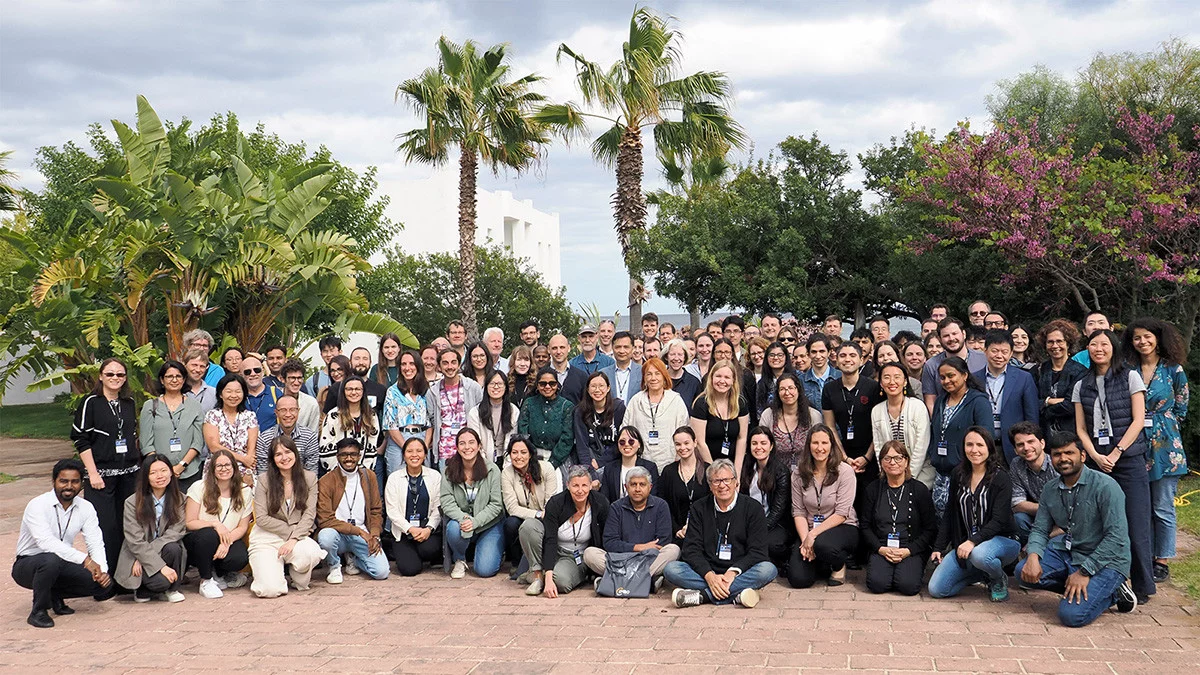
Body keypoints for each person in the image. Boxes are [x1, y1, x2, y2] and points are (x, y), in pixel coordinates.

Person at [1017, 433, 1139, 626]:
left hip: (1106, 560)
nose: (1063, 458)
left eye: (1069, 453)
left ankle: (1113, 592)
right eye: (1057, 454)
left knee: (1072, 616)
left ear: (1082, 456)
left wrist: (1084, 572)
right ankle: (1091, 590)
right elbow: (1040, 529)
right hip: (1069, 551)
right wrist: (1032, 556)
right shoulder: (1050, 489)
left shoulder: (1106, 486)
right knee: (1023, 573)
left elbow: (1116, 539)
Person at [1072, 328, 1155, 602]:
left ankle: (1142, 584)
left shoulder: (1130, 376)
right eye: (1093, 344)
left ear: (1114, 347)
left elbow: (1138, 420)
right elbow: (1081, 428)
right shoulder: (1080, 384)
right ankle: (1109, 581)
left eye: (1104, 344)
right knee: (1100, 524)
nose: (1099, 348)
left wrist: (1117, 452)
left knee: (1135, 521)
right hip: (1097, 461)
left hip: (1128, 460)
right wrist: (1094, 455)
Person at [1124, 317, 1190, 583]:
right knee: (1141, 505)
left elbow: (1182, 407)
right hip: (1136, 439)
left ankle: (1161, 559)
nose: (1142, 342)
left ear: (1158, 338)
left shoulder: (1174, 369)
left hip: (1166, 446)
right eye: (1137, 337)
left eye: (1147, 337)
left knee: (1162, 506)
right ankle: (1143, 555)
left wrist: (1165, 426)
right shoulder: (1129, 369)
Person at [13, 458, 114, 628]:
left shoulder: (86, 507)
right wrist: (85, 560)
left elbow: (95, 541)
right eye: (63, 481)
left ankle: (53, 594)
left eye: (74, 482)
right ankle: (38, 611)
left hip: (61, 562)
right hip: (28, 564)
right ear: (54, 481)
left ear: (81, 483)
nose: (69, 486)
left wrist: (101, 571)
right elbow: (45, 542)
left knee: (103, 586)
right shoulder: (37, 505)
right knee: (50, 560)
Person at [664, 459, 777, 608]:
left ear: (736, 482)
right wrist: (710, 576)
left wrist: (732, 573)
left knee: (768, 570)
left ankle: (703, 596)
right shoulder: (699, 508)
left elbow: (758, 551)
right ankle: (736, 595)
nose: (722, 485)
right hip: (707, 571)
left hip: (739, 571)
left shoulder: (753, 508)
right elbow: (691, 550)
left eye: (727, 480)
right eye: (716, 481)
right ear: (710, 486)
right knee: (672, 569)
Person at [928, 427, 1018, 602]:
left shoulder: (1001, 477)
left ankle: (997, 578)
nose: (974, 450)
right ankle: (983, 575)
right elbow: (950, 513)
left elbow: (999, 520)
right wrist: (938, 548)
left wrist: (972, 541)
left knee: (980, 555)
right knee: (937, 589)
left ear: (989, 448)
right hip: (968, 546)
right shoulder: (958, 474)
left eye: (980, 445)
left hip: (1002, 541)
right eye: (969, 445)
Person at [72, 357, 141, 575]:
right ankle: (104, 575)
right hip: (101, 476)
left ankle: (126, 576)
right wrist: (92, 473)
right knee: (104, 527)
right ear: (101, 376)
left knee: (127, 526)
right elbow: (80, 438)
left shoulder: (128, 403)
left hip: (128, 475)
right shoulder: (90, 403)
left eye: (120, 374)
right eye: (110, 374)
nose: (115, 378)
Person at [249, 436, 324, 597]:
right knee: (270, 591)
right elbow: (261, 518)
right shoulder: (263, 481)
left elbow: (309, 514)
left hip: (297, 536)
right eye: (278, 454)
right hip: (267, 536)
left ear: (295, 453)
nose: (284, 457)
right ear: (272, 459)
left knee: (311, 552)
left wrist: (294, 539)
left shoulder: (309, 478)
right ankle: (273, 573)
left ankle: (296, 575)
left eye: (288, 452)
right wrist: (291, 531)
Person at [860, 441, 937, 596]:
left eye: (898, 458)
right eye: (887, 458)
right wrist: (880, 549)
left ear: (906, 461)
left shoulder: (919, 490)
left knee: (908, 586)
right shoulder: (873, 489)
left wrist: (909, 551)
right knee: (877, 584)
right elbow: (865, 526)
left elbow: (930, 528)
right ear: (880, 462)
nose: (892, 462)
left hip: (910, 547)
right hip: (882, 547)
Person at [787, 425, 858, 588]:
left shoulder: (845, 472)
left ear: (832, 446)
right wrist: (806, 539)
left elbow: (842, 513)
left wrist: (813, 536)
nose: (820, 448)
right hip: (810, 529)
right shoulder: (798, 473)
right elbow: (798, 512)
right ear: (808, 446)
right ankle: (820, 563)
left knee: (823, 545)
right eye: (815, 443)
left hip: (842, 526)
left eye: (825, 443)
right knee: (798, 579)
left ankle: (839, 565)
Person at [589, 466, 680, 591]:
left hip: (649, 559)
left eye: (642, 484)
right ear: (626, 487)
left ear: (650, 487)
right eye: (633, 484)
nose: (637, 489)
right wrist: (639, 547)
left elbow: (663, 540)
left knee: (673, 550)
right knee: (590, 554)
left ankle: (614, 580)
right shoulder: (616, 507)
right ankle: (645, 581)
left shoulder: (660, 506)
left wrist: (644, 551)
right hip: (621, 560)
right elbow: (610, 542)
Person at [524, 465, 611, 596]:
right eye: (575, 486)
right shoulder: (556, 503)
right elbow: (550, 539)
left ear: (590, 486)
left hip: (578, 556)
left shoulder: (600, 502)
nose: (580, 490)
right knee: (529, 526)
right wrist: (548, 578)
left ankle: (550, 575)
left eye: (584, 486)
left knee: (561, 582)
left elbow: (606, 535)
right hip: (555, 549)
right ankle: (538, 576)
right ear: (567, 485)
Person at [316, 438, 389, 583]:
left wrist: (374, 535)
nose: (349, 458)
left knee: (381, 572)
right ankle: (334, 566)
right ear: (337, 457)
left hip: (363, 536)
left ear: (359, 456)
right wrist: (359, 531)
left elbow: (375, 510)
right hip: (339, 534)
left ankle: (355, 560)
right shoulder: (326, 481)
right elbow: (325, 519)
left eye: (353, 454)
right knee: (325, 536)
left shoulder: (369, 477)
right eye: (344, 455)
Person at [116, 454, 188, 602]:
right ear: (145, 477)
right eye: (153, 473)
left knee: (174, 547)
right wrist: (159, 566)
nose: (159, 476)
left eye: (163, 470)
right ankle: (143, 590)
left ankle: (172, 590)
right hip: (136, 553)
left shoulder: (180, 499)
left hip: (160, 553)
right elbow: (135, 540)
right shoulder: (132, 502)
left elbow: (175, 532)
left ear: (171, 472)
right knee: (161, 582)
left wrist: (146, 560)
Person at [183, 449, 252, 599]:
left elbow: (242, 527)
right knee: (208, 535)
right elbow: (189, 522)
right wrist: (215, 524)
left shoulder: (244, 491)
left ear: (234, 467)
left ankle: (220, 573)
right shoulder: (199, 487)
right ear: (212, 469)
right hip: (199, 540)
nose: (224, 469)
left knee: (239, 557)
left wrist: (227, 542)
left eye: (227, 465)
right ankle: (206, 580)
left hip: (228, 538)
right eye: (219, 466)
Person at [927, 357, 992, 514]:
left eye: (951, 375)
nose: (946, 381)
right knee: (941, 521)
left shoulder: (978, 401)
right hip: (941, 474)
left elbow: (986, 437)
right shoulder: (941, 400)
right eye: (942, 378)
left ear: (964, 375)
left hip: (965, 474)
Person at [822, 343, 885, 500]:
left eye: (852, 356)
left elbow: (879, 426)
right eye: (842, 356)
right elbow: (830, 426)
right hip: (842, 453)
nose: (847, 359)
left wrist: (867, 457)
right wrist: (844, 457)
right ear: (836, 360)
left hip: (871, 454)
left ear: (861, 360)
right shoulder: (829, 389)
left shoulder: (873, 387)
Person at [440, 428, 505, 579]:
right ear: (457, 447)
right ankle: (460, 558)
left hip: (488, 524)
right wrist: (464, 519)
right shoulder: (449, 471)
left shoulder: (492, 470)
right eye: (462, 443)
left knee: (484, 571)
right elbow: (446, 501)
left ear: (479, 445)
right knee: (453, 528)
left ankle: (496, 552)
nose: (467, 447)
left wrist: (475, 522)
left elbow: (496, 504)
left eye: (471, 442)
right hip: (462, 523)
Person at [973, 330, 1039, 463]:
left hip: (1013, 445)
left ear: (1010, 353)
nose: (999, 356)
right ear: (985, 351)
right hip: (982, 445)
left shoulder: (1024, 378)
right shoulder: (974, 378)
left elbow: (1031, 416)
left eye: (1004, 352)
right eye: (994, 351)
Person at [140, 360, 205, 492]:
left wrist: (181, 466)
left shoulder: (194, 406)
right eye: (169, 376)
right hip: (159, 476)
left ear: (184, 379)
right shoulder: (150, 406)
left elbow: (198, 442)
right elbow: (146, 443)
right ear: (162, 380)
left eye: (178, 376)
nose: (174, 380)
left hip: (190, 471)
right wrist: (162, 469)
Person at [500, 436, 561, 572]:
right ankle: (516, 563)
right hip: (526, 516)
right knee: (510, 523)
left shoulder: (546, 468)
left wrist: (544, 514)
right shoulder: (507, 473)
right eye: (514, 452)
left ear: (530, 453)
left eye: (523, 452)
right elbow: (512, 507)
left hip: (546, 517)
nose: (518, 456)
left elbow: (551, 500)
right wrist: (537, 514)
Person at [384, 437, 444, 576]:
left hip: (427, 531)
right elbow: (392, 511)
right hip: (404, 533)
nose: (414, 455)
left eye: (419, 451)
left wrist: (429, 528)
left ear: (425, 454)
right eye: (410, 451)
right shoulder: (394, 478)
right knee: (409, 570)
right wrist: (410, 529)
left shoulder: (435, 476)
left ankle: (422, 553)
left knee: (429, 549)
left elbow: (438, 507)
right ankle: (410, 555)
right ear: (404, 455)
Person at [871, 362, 934, 489]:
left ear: (905, 382)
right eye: (887, 377)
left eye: (897, 377)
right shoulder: (876, 411)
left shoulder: (917, 406)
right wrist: (887, 474)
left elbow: (921, 446)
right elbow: (879, 448)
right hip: (890, 476)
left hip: (920, 475)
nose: (892, 381)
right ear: (881, 383)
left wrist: (907, 477)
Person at [740, 428, 794, 571]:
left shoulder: (781, 471)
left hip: (776, 523)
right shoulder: (746, 467)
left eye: (763, 443)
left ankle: (783, 559)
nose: (759, 447)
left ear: (771, 446)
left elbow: (778, 510)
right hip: (751, 520)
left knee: (770, 544)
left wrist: (759, 529)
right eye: (754, 443)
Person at [625, 358, 691, 472]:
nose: (653, 378)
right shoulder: (636, 401)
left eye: (657, 374)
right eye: (649, 374)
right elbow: (626, 430)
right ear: (644, 378)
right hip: (641, 463)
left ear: (664, 376)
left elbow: (684, 431)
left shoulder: (676, 400)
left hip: (670, 463)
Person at [427, 348, 484, 470]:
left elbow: (481, 415)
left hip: (469, 449)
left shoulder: (473, 387)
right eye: (445, 363)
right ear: (439, 367)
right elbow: (432, 419)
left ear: (459, 365)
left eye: (453, 362)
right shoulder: (433, 392)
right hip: (445, 451)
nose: (450, 367)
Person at [1032, 319, 1088, 436]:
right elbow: (1031, 402)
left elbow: (1071, 406)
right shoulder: (1038, 371)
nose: (1055, 346)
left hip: (1072, 433)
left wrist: (1045, 404)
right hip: (1043, 434)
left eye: (1059, 341)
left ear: (1068, 343)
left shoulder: (1080, 371)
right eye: (1050, 342)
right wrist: (1052, 401)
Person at [690, 360, 750, 467]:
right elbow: (700, 443)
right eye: (718, 376)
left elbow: (742, 439)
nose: (722, 381)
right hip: (707, 465)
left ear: (733, 381)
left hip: (733, 465)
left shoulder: (740, 403)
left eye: (727, 377)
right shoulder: (701, 404)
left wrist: (736, 472)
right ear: (711, 378)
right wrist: (715, 472)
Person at [319, 376, 384, 474]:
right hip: (337, 472)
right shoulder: (333, 416)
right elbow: (326, 447)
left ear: (363, 392)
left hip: (364, 472)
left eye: (357, 389)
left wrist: (362, 472)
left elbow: (372, 447)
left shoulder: (371, 416)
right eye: (349, 389)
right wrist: (341, 471)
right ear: (343, 392)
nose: (353, 392)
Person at [1007, 422, 1058, 543]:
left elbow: (1070, 508)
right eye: (1020, 444)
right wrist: (1048, 509)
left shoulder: (1056, 464)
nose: (1026, 448)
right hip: (1040, 518)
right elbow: (1017, 504)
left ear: (1042, 443)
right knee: (1018, 519)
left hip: (1064, 522)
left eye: (1031, 442)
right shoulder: (1016, 464)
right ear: (1015, 450)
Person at [382, 350, 432, 474]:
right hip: (399, 441)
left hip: (422, 439)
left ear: (418, 366)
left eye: (411, 364)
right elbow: (391, 425)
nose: (407, 368)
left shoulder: (427, 390)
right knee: (397, 483)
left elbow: (431, 421)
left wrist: (424, 446)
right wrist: (407, 448)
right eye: (403, 364)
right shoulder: (392, 392)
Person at [204, 374, 259, 485]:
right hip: (219, 468)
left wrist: (248, 470)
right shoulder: (212, 415)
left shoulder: (250, 416)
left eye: (238, 391)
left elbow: (252, 448)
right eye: (229, 391)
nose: (233, 395)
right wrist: (242, 459)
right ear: (220, 394)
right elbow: (214, 446)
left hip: (245, 469)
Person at [922, 318, 987, 412]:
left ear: (963, 334)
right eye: (946, 336)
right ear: (940, 339)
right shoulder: (931, 365)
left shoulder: (983, 359)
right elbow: (930, 401)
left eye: (954, 333)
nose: (951, 338)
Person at [659, 427, 710, 546]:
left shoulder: (708, 470)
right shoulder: (668, 471)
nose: (682, 448)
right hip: (676, 534)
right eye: (678, 444)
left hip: (704, 533)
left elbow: (712, 504)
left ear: (695, 442)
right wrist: (677, 529)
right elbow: (663, 505)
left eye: (686, 443)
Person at [759, 373, 820, 469]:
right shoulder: (768, 415)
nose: (787, 393)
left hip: (807, 471)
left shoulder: (813, 415)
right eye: (782, 389)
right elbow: (761, 445)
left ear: (798, 390)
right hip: (775, 472)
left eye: (791, 388)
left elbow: (819, 446)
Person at [519, 366, 576, 468]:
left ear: (557, 385)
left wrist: (553, 462)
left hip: (558, 460)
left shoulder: (566, 407)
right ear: (537, 385)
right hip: (531, 458)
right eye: (543, 384)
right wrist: (532, 457)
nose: (548, 387)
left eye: (552, 383)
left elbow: (567, 438)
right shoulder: (529, 403)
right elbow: (523, 432)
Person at [573, 371, 626, 472]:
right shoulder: (580, 412)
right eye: (593, 386)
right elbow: (582, 446)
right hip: (589, 462)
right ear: (588, 389)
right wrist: (590, 471)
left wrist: (600, 462)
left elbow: (622, 441)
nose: (597, 390)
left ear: (608, 388)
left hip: (615, 461)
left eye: (601, 386)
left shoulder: (619, 408)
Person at [255, 396, 320, 474]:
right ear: (276, 413)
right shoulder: (265, 439)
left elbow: (312, 472)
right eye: (283, 410)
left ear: (298, 411)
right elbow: (263, 473)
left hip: (302, 483)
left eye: (292, 410)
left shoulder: (309, 437)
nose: (288, 414)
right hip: (273, 483)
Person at [468, 369, 521, 463]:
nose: (496, 387)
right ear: (486, 387)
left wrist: (508, 463)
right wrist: (486, 464)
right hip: (482, 460)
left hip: (507, 459)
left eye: (500, 384)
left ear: (506, 387)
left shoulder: (513, 411)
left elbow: (512, 440)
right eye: (492, 383)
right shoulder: (475, 412)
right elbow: (475, 441)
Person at [598, 426, 661, 503]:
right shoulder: (609, 468)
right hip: (616, 513)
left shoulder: (650, 467)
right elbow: (605, 499)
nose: (626, 444)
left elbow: (653, 497)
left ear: (639, 444)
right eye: (622, 442)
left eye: (631, 441)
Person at [324, 347, 388, 418]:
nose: (361, 362)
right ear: (350, 362)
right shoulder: (336, 388)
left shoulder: (381, 390)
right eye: (357, 359)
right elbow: (326, 417)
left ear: (370, 363)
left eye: (365, 359)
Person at [600, 332, 641, 405]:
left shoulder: (642, 372)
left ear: (633, 348)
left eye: (626, 347)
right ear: (612, 348)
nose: (622, 351)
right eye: (618, 347)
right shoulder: (603, 373)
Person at [280, 358, 320, 432]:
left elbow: (313, 432)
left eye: (299, 378)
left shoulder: (311, 403)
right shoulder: (274, 398)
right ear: (283, 379)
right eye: (292, 378)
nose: (296, 382)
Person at [547, 334, 588, 404]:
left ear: (569, 348)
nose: (558, 352)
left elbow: (586, 405)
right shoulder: (541, 376)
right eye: (554, 348)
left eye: (562, 347)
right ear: (548, 350)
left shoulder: (581, 376)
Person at [755, 341, 793, 415]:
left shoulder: (796, 378)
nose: (775, 358)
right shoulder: (761, 383)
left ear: (786, 357)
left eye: (780, 355)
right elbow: (759, 409)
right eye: (772, 355)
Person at [800, 335, 840, 405]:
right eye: (814, 352)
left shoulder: (840, 377)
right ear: (808, 354)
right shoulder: (800, 380)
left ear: (829, 352)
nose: (818, 356)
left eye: (822, 351)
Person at [182, 348, 218, 413]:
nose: (198, 370)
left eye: (202, 366)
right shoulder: (176, 391)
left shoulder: (214, 393)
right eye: (194, 365)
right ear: (185, 365)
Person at [507, 345, 538, 410]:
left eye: (526, 360)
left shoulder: (536, 383)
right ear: (513, 361)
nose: (522, 364)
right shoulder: (506, 382)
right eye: (519, 360)